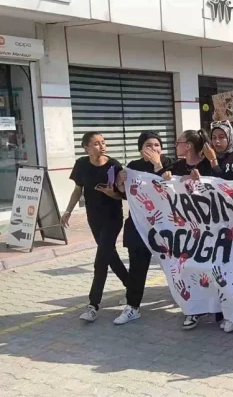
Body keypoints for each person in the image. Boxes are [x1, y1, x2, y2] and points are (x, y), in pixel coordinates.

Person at [62, 132, 128, 322]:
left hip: (113, 217)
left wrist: (111, 193)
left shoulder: (113, 165)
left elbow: (122, 195)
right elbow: (77, 190)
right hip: (94, 218)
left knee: (100, 261)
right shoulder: (81, 164)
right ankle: (132, 286)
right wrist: (67, 211)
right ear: (87, 148)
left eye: (103, 142)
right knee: (109, 255)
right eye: (97, 143)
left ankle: (93, 305)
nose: (102, 146)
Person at [159, 129, 219, 331]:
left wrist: (201, 181)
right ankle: (192, 310)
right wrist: (167, 179)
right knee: (186, 268)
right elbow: (161, 188)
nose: (176, 145)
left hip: (208, 228)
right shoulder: (175, 167)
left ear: (189, 146)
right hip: (183, 229)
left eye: (179, 142)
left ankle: (217, 308)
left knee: (210, 268)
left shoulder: (207, 166)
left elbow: (221, 189)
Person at [113, 131, 174, 325]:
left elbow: (172, 190)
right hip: (140, 225)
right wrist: (120, 183)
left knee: (176, 267)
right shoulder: (133, 167)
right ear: (141, 149)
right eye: (149, 145)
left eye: (157, 145)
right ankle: (132, 306)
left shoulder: (169, 163)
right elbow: (126, 195)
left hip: (166, 227)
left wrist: (158, 165)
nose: (154, 149)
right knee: (137, 268)